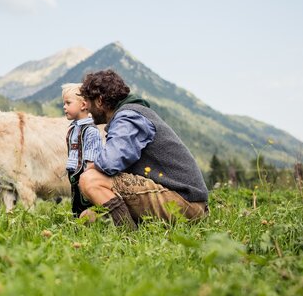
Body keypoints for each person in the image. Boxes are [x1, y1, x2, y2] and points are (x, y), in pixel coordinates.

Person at [78, 70, 208, 230]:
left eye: (87, 101)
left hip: (185, 202)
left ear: (99, 101)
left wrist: (90, 167)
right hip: (181, 200)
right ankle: (132, 226)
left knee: (90, 179)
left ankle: (127, 234)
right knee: (89, 218)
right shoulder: (130, 115)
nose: (85, 107)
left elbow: (110, 161)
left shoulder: (129, 117)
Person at [61, 83, 103, 219]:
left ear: (83, 105)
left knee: (86, 203)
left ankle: (90, 223)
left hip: (85, 175)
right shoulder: (73, 129)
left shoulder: (90, 131)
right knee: (76, 202)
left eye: (68, 103)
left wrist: (87, 176)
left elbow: (91, 160)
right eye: (64, 103)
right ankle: (77, 222)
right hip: (74, 174)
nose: (64, 107)